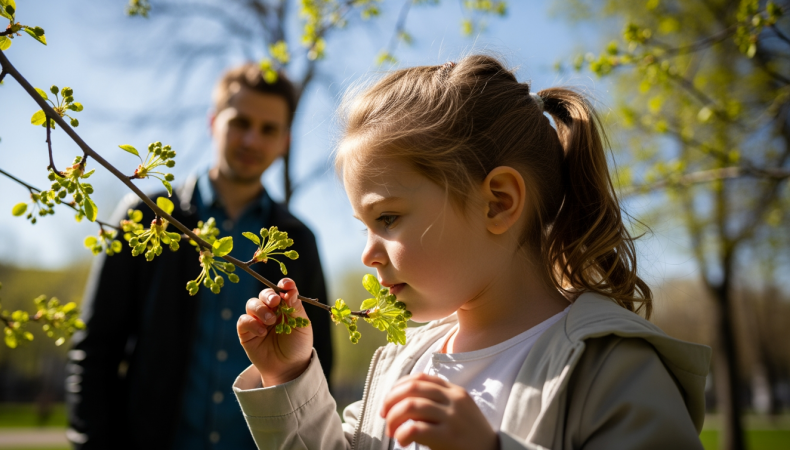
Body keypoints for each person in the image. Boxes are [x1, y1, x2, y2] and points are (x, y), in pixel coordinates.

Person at [233, 55, 711, 450]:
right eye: (364, 228)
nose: (368, 255)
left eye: (389, 219)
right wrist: (290, 377)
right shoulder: (402, 361)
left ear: (498, 202)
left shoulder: (614, 371)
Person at [66, 63, 333, 450]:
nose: (251, 140)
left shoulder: (298, 240)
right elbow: (95, 350)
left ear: (285, 141)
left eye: (268, 129)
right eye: (239, 122)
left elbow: (316, 366)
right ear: (213, 123)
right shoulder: (147, 216)